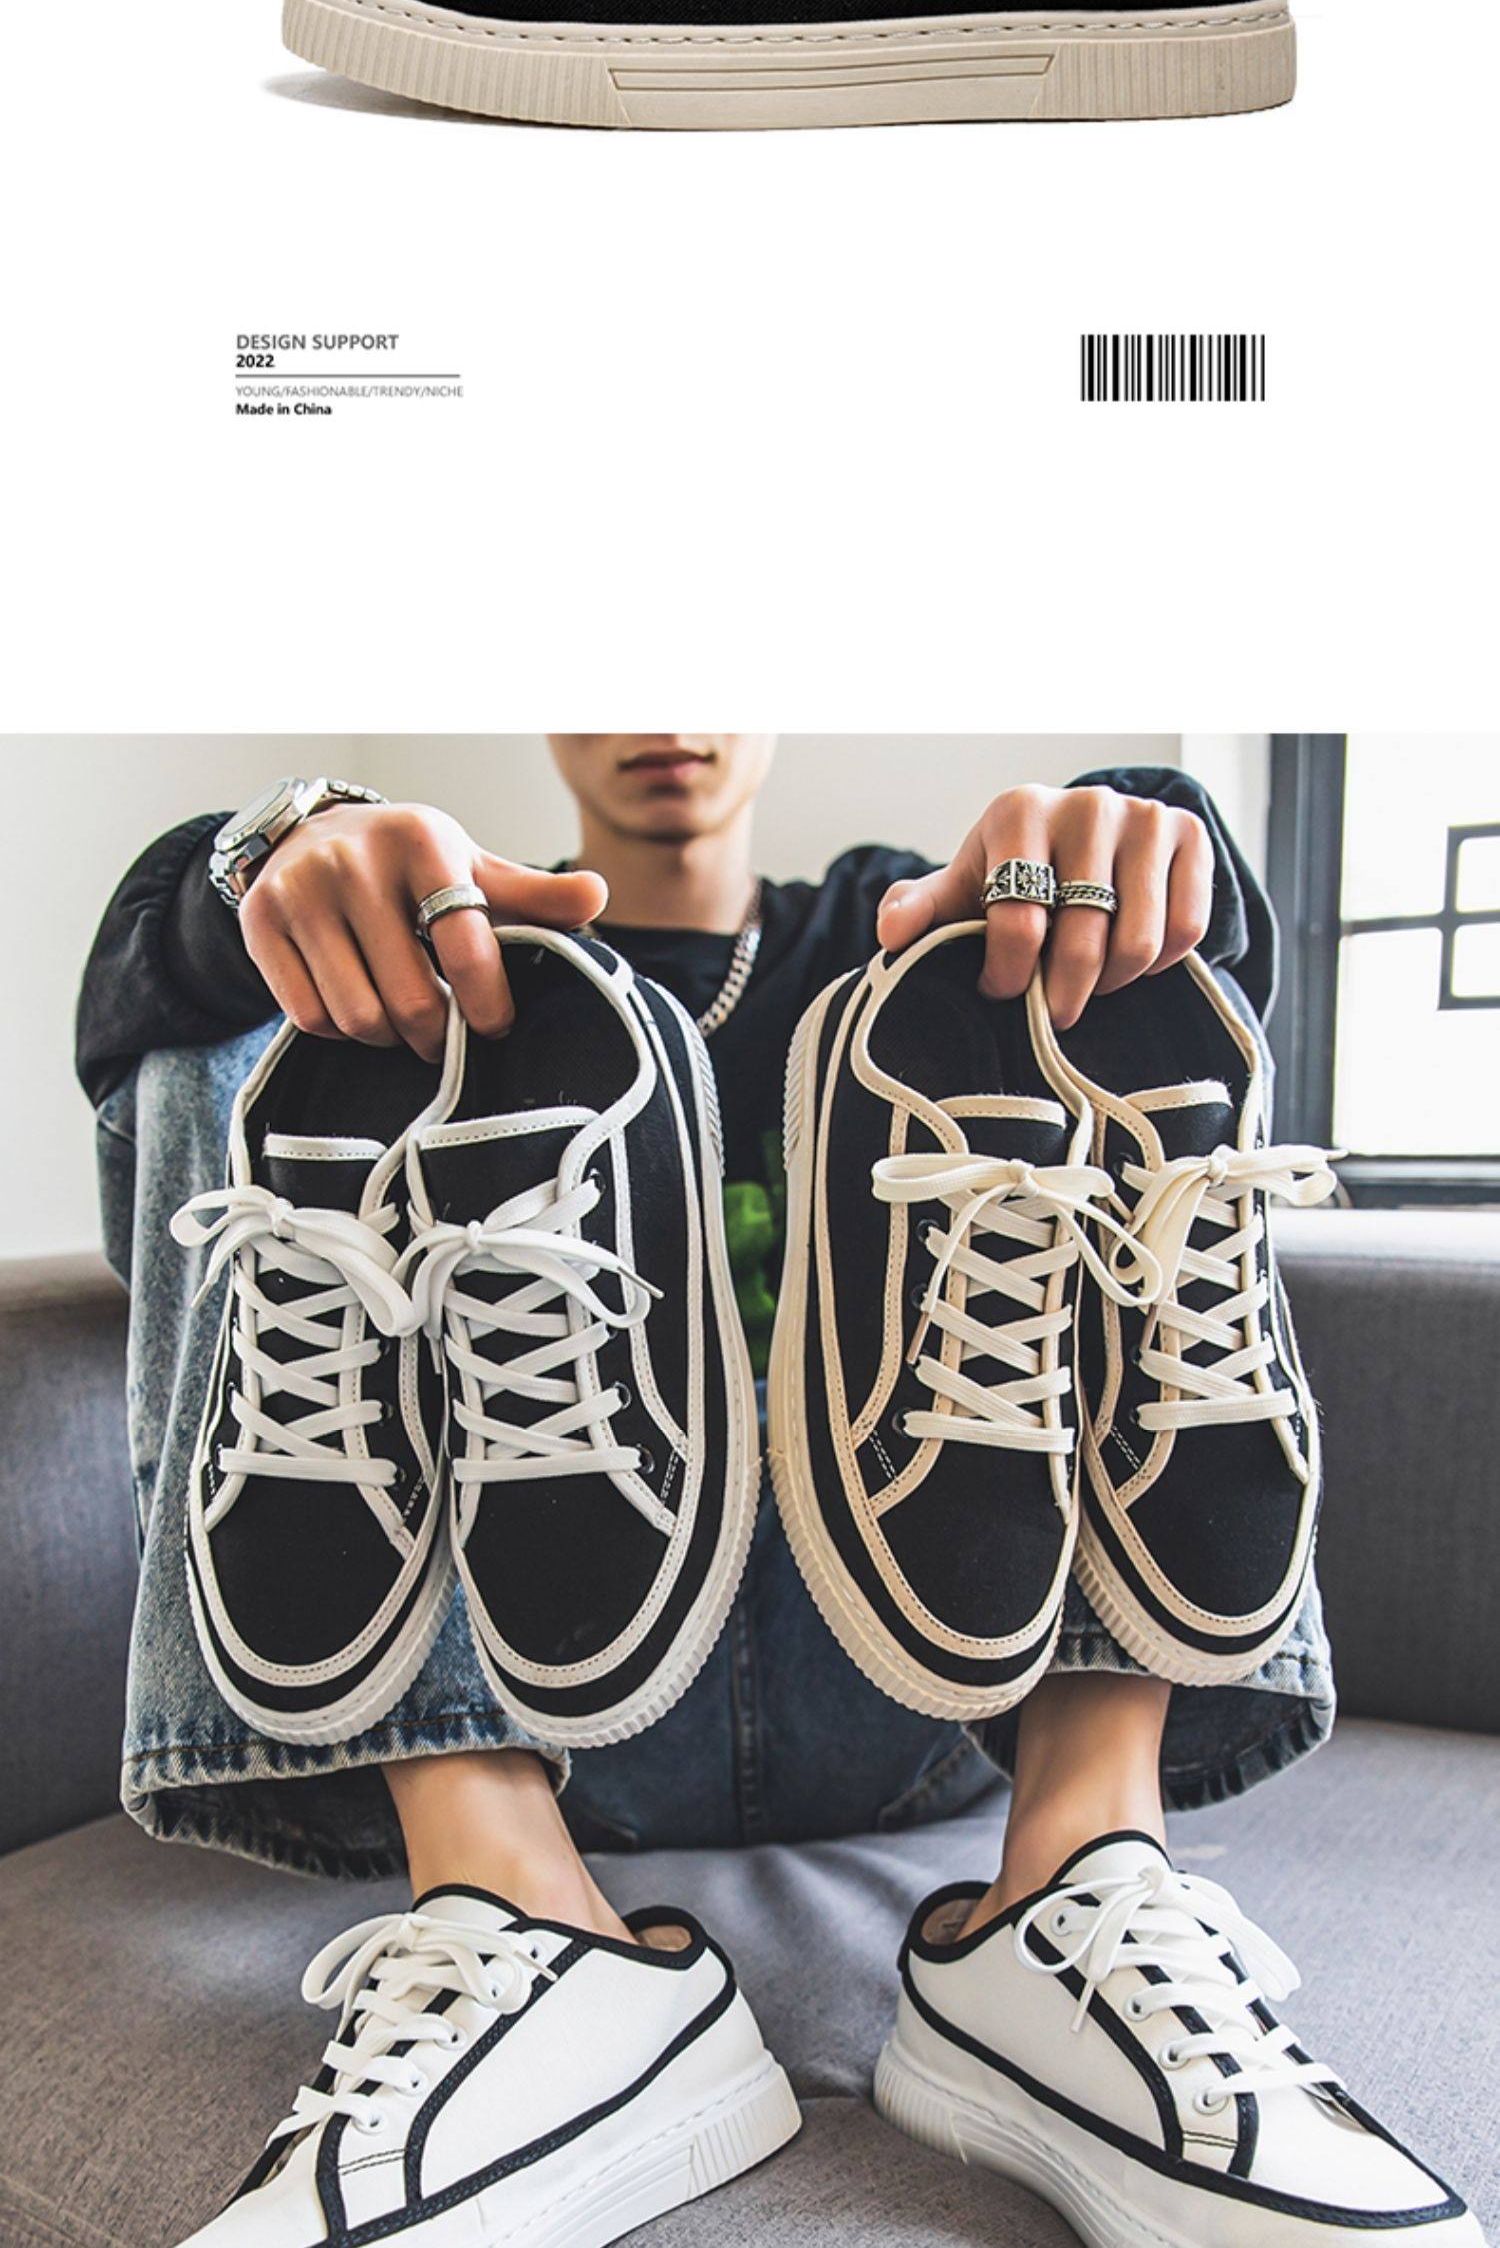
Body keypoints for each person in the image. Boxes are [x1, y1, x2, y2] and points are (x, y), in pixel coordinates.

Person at [76, 737, 1479, 2248]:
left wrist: (1149, 826)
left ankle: (1079, 1879)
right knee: (285, 996)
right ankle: (519, 1918)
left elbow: (1196, 928)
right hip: (520, 1690)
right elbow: (143, 989)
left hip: (940, 1651)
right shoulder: (447, 943)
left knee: (1094, 968)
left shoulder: (900, 934)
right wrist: (275, 861)